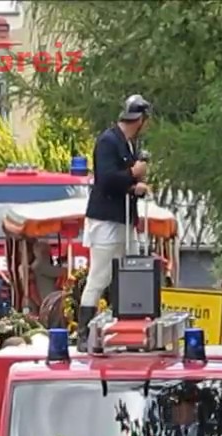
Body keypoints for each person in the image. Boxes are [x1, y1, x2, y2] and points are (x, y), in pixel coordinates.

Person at [78, 94, 153, 350]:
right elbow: (107, 179)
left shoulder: (127, 144)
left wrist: (135, 188)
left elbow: (122, 184)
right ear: (140, 119)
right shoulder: (108, 141)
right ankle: (82, 333)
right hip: (106, 219)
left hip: (122, 217)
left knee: (123, 274)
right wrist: (134, 173)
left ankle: (120, 328)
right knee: (99, 276)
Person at [30, 239, 65, 311]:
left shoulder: (40, 264)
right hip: (48, 299)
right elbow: (59, 272)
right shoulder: (40, 265)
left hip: (50, 298)